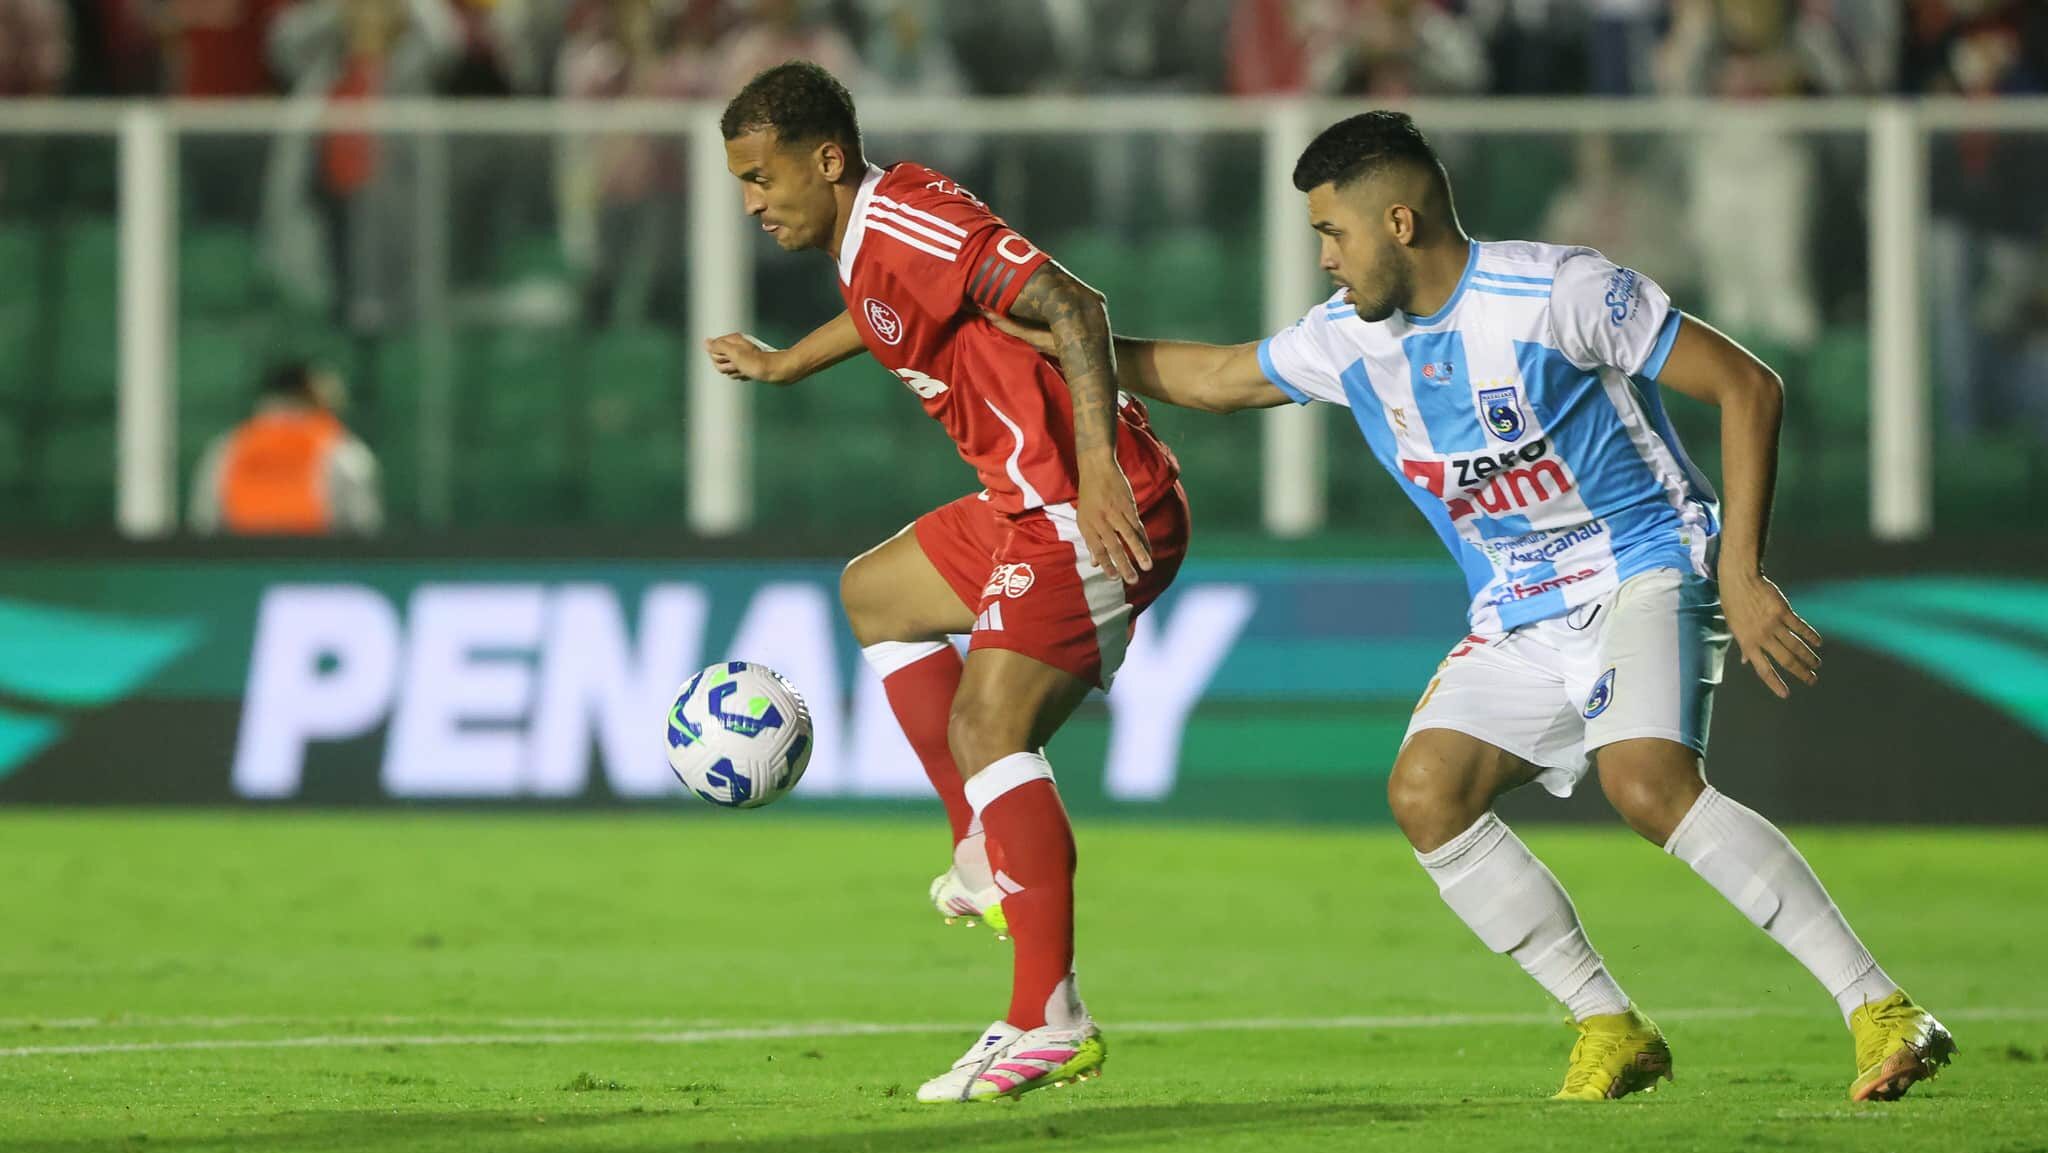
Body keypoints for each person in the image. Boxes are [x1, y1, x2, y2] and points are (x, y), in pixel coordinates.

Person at [995, 110, 1954, 1104]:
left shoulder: (1557, 292)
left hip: (1642, 566)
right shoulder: (1350, 340)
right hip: (1518, 611)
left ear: (1398, 223)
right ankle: (1607, 1025)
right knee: (1425, 792)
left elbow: (1747, 387)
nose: (1322, 257)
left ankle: (1878, 1006)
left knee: (1645, 783)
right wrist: (1069, 340)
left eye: (1332, 232)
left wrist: (1742, 572)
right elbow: (1215, 377)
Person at [701, 61, 1189, 1103]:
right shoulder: (866, 244)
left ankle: (1045, 1017)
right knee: (875, 593)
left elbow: (1072, 303)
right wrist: (788, 363)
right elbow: (892, 317)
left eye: (758, 175)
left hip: (1080, 500)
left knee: (989, 728)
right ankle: (979, 845)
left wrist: (1097, 463)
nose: (749, 201)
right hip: (1020, 502)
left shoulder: (910, 220)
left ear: (825, 158)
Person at [189, 361, 383, 536]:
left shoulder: (230, 446)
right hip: (318, 565)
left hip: (241, 564)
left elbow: (205, 519)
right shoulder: (339, 447)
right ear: (309, 390)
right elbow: (363, 523)